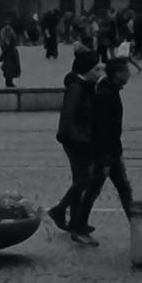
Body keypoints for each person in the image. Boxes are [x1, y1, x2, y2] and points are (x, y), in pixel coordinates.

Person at [68, 57, 134, 243]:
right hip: (104, 153)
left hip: (111, 151)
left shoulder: (110, 90)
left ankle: (136, 225)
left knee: (123, 188)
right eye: (126, 70)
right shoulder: (106, 94)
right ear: (118, 73)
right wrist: (106, 154)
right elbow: (103, 127)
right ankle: (79, 228)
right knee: (93, 190)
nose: (129, 73)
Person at [47, 48, 101, 238]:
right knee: (84, 179)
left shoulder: (86, 87)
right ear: (85, 71)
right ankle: (60, 210)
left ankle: (76, 221)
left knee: (80, 179)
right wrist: (79, 138)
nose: (99, 73)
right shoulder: (76, 89)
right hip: (76, 141)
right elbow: (68, 117)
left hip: (83, 139)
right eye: (96, 70)